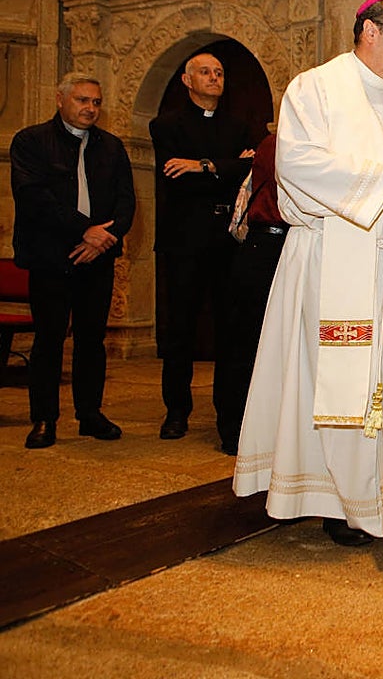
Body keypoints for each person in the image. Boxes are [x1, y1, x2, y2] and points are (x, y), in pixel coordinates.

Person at [233, 0, 383, 554]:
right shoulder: (316, 88)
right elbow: (298, 165)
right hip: (334, 258)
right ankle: (343, 505)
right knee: (343, 384)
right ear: (370, 30)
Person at [9, 73, 135, 449]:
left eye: (96, 102)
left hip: (97, 258)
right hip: (51, 257)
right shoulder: (30, 141)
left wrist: (103, 239)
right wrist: (85, 230)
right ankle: (44, 419)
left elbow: (126, 202)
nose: (90, 108)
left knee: (91, 340)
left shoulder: (111, 147)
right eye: (82, 100)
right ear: (60, 99)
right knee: (49, 340)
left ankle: (90, 414)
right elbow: (34, 197)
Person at [150, 52, 264, 441]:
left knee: (230, 329)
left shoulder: (239, 126)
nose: (214, 77)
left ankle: (229, 417)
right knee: (180, 327)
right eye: (205, 72)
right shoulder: (165, 125)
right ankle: (176, 411)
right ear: (187, 80)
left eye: (219, 72)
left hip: (229, 240)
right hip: (184, 240)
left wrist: (202, 165)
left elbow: (250, 170)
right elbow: (175, 177)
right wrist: (226, 166)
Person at [212, 132, 285, 455]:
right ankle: (235, 429)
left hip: (278, 245)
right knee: (246, 340)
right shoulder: (282, 142)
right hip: (268, 245)